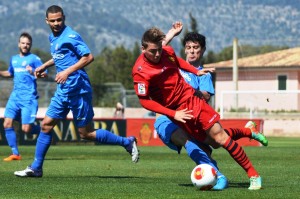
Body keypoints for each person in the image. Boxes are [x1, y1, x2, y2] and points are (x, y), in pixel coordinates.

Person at [14, 5, 139, 178]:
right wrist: (44, 66)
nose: (57, 23)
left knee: (86, 133)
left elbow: (88, 57)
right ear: (47, 21)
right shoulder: (53, 37)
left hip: (79, 89)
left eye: (59, 19)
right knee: (46, 125)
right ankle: (36, 168)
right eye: (53, 20)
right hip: (64, 90)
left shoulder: (71, 35)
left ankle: (127, 142)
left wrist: (66, 72)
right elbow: (60, 56)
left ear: (64, 18)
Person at [132, 26, 263, 190]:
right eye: (153, 51)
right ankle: (247, 133)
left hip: (192, 101)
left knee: (220, 138)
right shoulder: (140, 72)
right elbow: (145, 101)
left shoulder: (167, 51)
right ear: (142, 49)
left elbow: (176, 60)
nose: (158, 54)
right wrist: (173, 113)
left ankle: (253, 175)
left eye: (159, 50)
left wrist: (195, 71)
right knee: (211, 142)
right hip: (177, 113)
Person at [0, 32, 46, 161]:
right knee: (7, 123)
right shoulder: (14, 59)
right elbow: (10, 73)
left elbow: (45, 74)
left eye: (28, 44)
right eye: (23, 43)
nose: (25, 45)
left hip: (29, 99)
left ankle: (45, 130)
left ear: (30, 45)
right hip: (15, 97)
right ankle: (15, 154)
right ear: (19, 44)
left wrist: (34, 71)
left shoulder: (34, 59)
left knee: (26, 129)